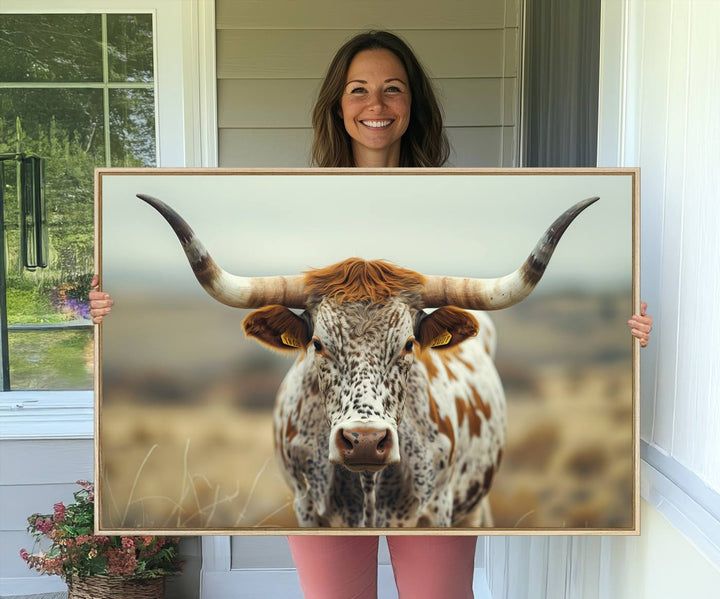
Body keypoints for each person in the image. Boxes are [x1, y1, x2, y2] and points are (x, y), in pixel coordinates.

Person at [89, 31, 652, 599]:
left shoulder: (458, 203)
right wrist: (115, 312)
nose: (375, 105)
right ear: (339, 104)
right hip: (317, 439)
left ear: (413, 105)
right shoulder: (292, 204)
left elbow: (507, 292)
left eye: (392, 90)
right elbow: (238, 289)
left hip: (436, 442)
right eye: (358, 90)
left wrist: (623, 331)